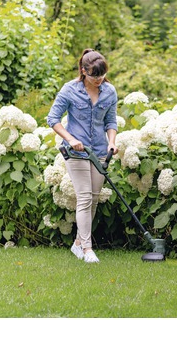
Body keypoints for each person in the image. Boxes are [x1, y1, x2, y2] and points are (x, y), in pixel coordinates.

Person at [47, 49, 118, 263]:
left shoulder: (109, 91)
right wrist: (70, 139)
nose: (99, 80)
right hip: (75, 151)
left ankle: (78, 243)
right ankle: (87, 249)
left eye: (102, 75)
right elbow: (53, 119)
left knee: (94, 199)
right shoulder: (70, 90)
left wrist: (112, 142)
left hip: (99, 151)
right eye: (94, 76)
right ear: (83, 71)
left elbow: (111, 122)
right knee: (85, 197)